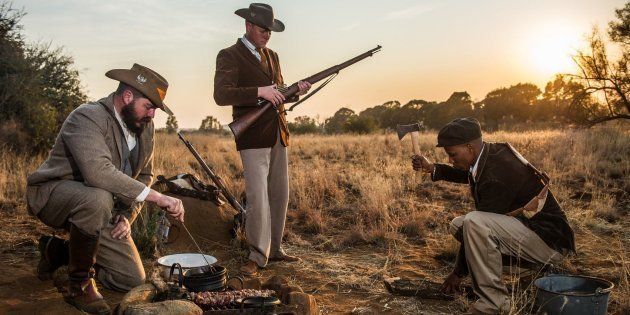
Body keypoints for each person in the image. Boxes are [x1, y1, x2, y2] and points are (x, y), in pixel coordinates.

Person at [26, 64, 185, 314]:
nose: (152, 115)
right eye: (149, 106)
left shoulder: (145, 126)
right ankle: (79, 286)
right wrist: (157, 198)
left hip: (102, 208)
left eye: (155, 109)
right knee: (97, 197)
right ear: (128, 96)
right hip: (54, 196)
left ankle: (58, 253)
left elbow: (145, 174)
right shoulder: (87, 116)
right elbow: (97, 172)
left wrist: (128, 215)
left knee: (130, 279)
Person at [411, 118, 575, 314]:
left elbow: (480, 223)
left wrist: (457, 273)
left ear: (469, 147)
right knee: (459, 225)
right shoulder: (489, 154)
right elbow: (469, 174)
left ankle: (494, 303)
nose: (450, 160)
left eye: (452, 154)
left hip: (550, 243)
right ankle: (530, 270)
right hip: (530, 233)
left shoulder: (500, 169)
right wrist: (433, 168)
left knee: (473, 222)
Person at [213, 3, 311, 276]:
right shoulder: (229, 55)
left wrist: (296, 90)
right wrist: (261, 91)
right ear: (248, 26)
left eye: (270, 30)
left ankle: (275, 249)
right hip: (253, 135)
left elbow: (277, 91)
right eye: (262, 29)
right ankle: (257, 255)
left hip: (278, 132)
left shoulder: (273, 56)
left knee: (280, 194)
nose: (267, 34)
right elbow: (222, 94)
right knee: (258, 197)